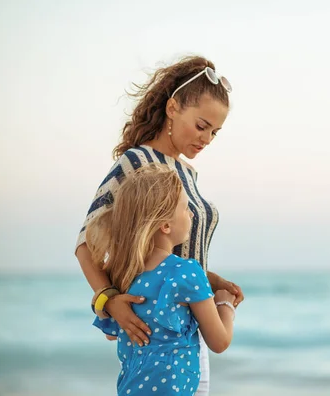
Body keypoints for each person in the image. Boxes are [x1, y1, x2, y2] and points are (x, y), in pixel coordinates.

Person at [75, 55, 244, 395]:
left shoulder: (189, 174)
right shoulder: (137, 161)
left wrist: (213, 280)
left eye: (215, 131)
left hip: (192, 328)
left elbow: (166, 252)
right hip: (160, 333)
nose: (207, 138)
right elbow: (86, 243)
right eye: (201, 126)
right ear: (172, 108)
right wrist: (107, 300)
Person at [87, 164, 236, 395]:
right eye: (186, 208)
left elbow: (110, 333)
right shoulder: (186, 272)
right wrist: (225, 304)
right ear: (165, 225)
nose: (191, 214)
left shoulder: (124, 272)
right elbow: (219, 342)